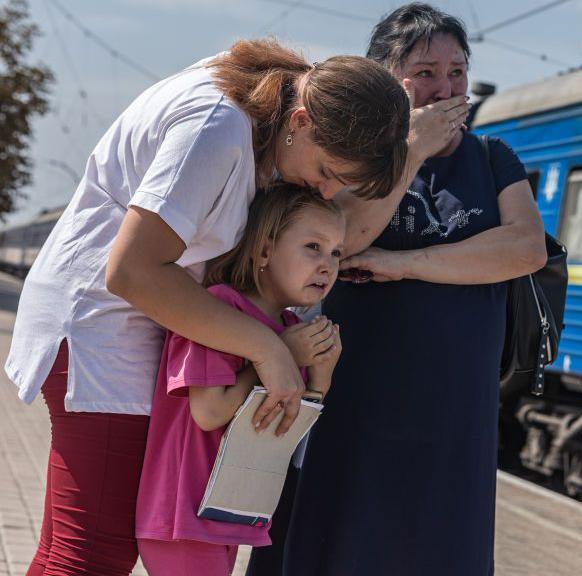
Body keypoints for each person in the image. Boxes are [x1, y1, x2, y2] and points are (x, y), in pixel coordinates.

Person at [6, 36, 467, 575]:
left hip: (126, 325)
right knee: (92, 550)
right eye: (327, 171)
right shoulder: (216, 129)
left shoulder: (260, 115)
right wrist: (266, 348)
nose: (323, 189)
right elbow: (131, 269)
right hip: (101, 328)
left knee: (84, 543)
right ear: (301, 121)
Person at [251, 4, 547, 575]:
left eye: (457, 71)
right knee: (339, 532)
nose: (446, 87)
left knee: (437, 541)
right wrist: (410, 148)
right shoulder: (358, 158)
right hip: (353, 387)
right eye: (426, 72)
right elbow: (343, 237)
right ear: (388, 77)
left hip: (456, 403)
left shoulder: (493, 158)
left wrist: (405, 263)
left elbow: (523, 249)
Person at [135, 184, 343, 576]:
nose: (328, 264)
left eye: (337, 252)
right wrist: (280, 353)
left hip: (227, 513)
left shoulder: (290, 328)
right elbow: (209, 410)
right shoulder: (216, 310)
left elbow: (281, 430)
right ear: (264, 250)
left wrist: (320, 380)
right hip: (183, 517)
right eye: (313, 247)